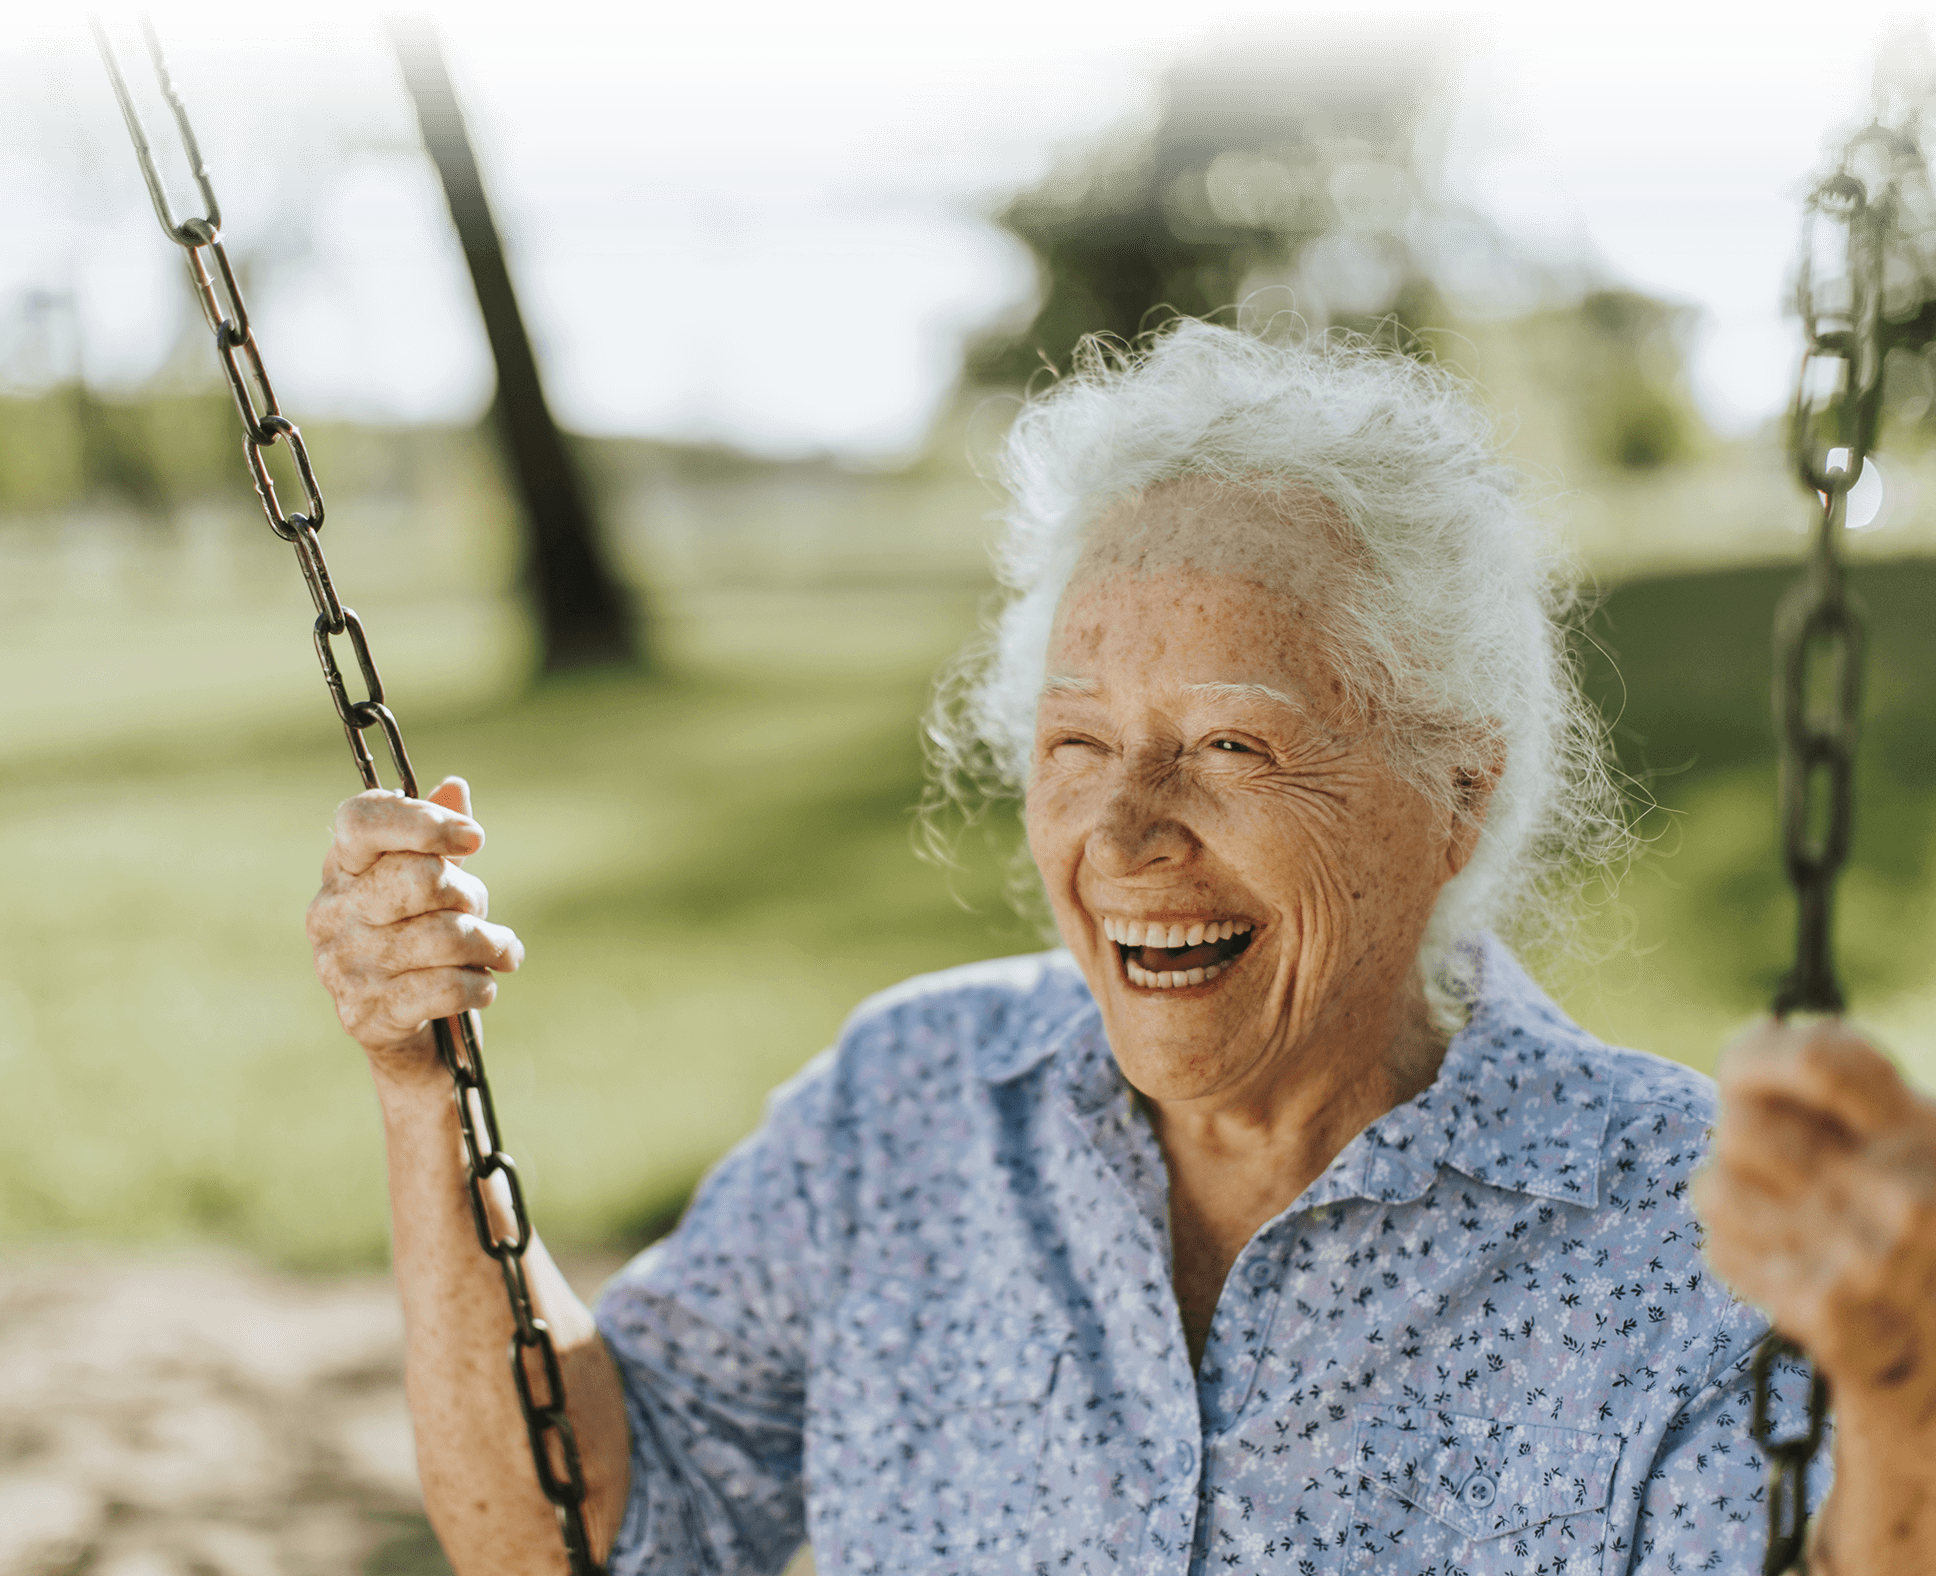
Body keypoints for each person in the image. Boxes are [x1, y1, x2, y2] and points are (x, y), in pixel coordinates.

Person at [304, 321, 1927, 1576]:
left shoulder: (1677, 1229)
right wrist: (421, 1093)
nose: (1127, 833)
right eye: (1078, 743)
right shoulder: (910, 1105)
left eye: (1232, 747)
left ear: (1456, 787)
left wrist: (1907, 1392)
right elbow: (580, 1529)